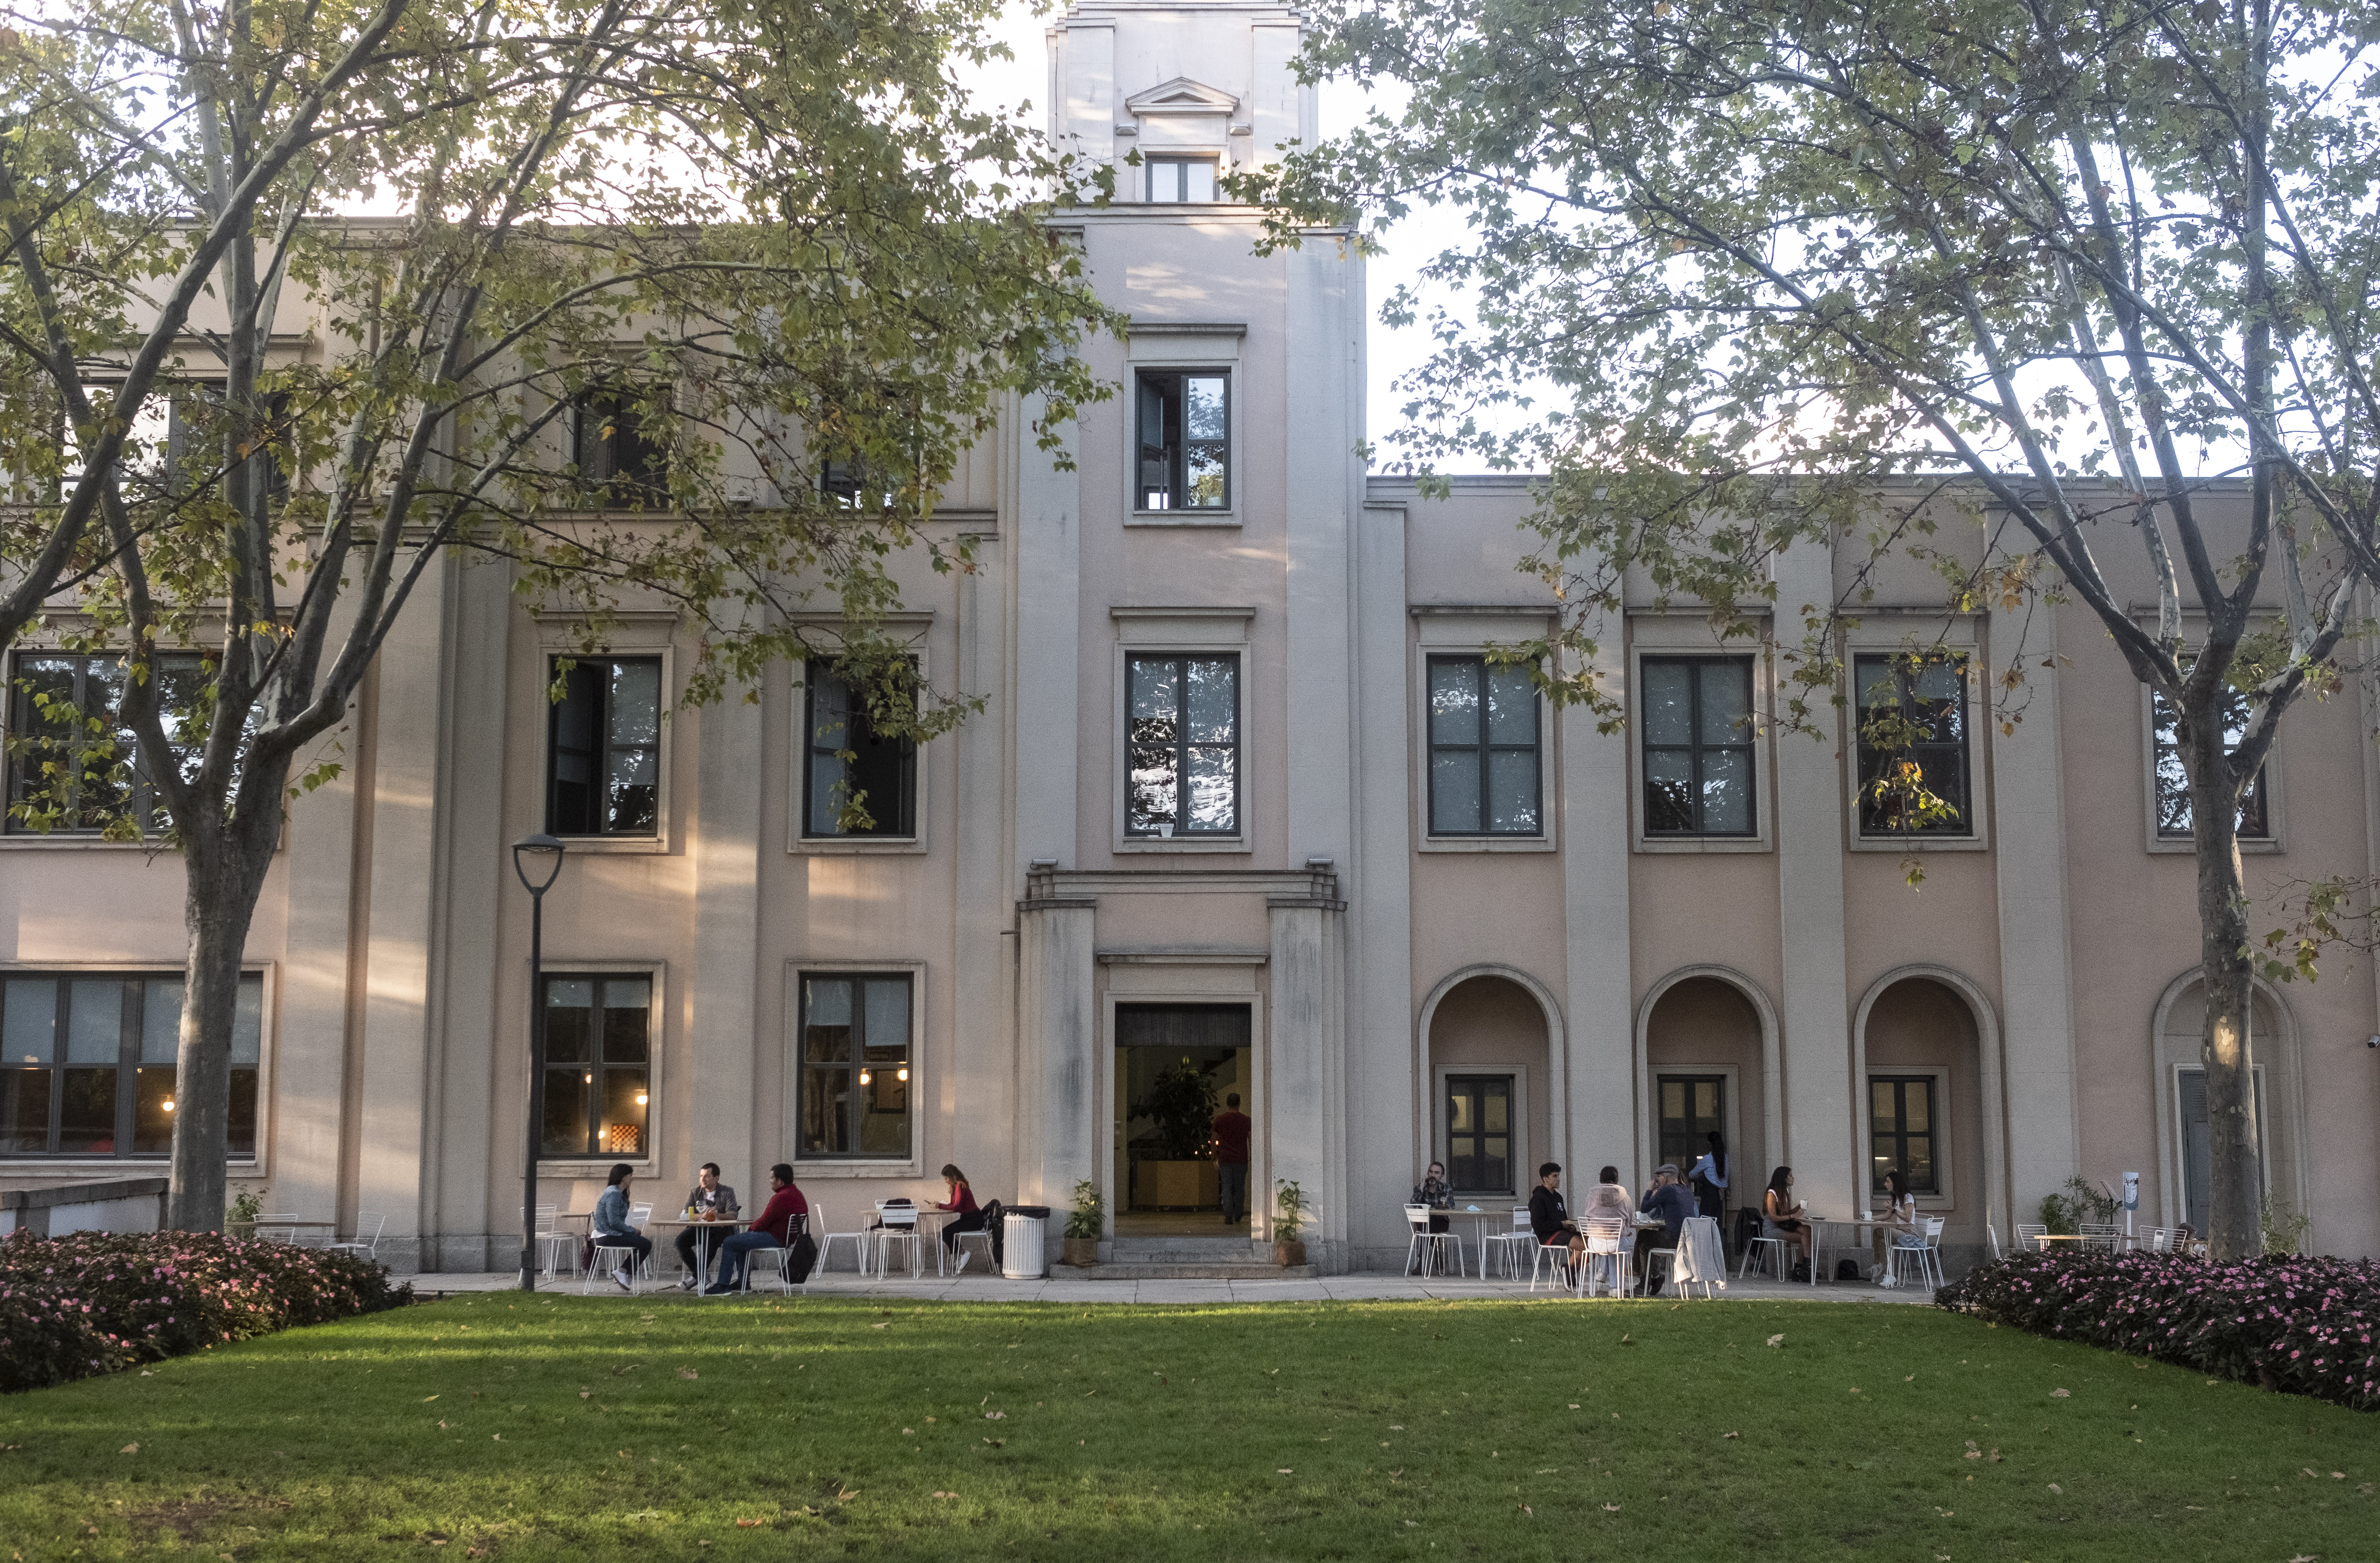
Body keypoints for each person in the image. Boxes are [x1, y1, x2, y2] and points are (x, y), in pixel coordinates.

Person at [705, 1163, 806, 1295]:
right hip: (786, 1238)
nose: (770, 1181)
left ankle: (723, 1285)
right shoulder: (798, 1195)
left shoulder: (781, 1197)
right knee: (741, 1242)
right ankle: (743, 1282)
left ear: (780, 1182)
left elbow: (765, 1220)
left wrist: (750, 1230)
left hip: (775, 1238)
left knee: (730, 1242)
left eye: (772, 1178)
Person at [672, 1161, 741, 1291]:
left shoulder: (727, 1192)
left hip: (721, 1230)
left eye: (707, 1176)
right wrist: (702, 1216)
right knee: (680, 1241)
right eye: (701, 1176)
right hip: (700, 1228)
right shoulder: (695, 1192)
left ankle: (697, 1277)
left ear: (716, 1178)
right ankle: (701, 1276)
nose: (703, 1179)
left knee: (711, 1239)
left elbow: (733, 1215)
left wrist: (718, 1216)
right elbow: (687, 1214)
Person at [1635, 1164, 1697, 1294]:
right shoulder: (1687, 1190)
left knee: (1643, 1236)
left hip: (1673, 1241)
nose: (1657, 1181)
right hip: (1687, 1241)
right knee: (1651, 1239)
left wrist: (1650, 1190)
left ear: (1665, 1177)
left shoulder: (1668, 1190)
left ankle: (1643, 1283)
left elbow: (1645, 1208)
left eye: (1658, 1178)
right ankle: (1655, 1277)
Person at [592, 1163, 651, 1292]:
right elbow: (614, 1222)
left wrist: (631, 1231)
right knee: (646, 1244)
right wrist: (632, 1230)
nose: (632, 1179)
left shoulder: (618, 1193)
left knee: (642, 1243)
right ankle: (623, 1273)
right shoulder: (614, 1194)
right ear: (624, 1177)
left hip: (610, 1234)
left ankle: (624, 1272)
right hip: (605, 1236)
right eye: (631, 1175)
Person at [1527, 1161, 1583, 1271]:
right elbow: (1537, 1224)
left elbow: (1564, 1219)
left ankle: (1570, 1270)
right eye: (1555, 1176)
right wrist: (1561, 1225)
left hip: (1561, 1231)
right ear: (1545, 1179)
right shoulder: (1538, 1198)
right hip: (1547, 1236)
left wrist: (1569, 1226)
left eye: (1559, 1176)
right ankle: (1568, 1271)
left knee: (1590, 1241)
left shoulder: (1558, 1197)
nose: (1558, 1179)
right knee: (1583, 1245)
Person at [933, 1163, 989, 1272]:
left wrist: (939, 1205)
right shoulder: (955, 1188)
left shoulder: (960, 1186)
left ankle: (963, 1254)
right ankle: (960, 1255)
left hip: (974, 1219)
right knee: (946, 1232)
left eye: (946, 1178)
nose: (946, 1181)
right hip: (968, 1218)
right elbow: (955, 1206)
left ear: (952, 1176)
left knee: (945, 1232)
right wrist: (940, 1205)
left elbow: (956, 1206)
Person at [1871, 1168, 1923, 1280]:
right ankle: (1889, 1275)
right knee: (1882, 1241)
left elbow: (1908, 1218)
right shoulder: (1896, 1198)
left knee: (1878, 1231)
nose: (1885, 1184)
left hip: (1909, 1235)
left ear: (1896, 1183)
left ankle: (1877, 1264)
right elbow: (1887, 1216)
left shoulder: (1908, 1197)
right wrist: (1870, 1218)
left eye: (1888, 1182)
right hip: (1899, 1231)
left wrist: (1893, 1210)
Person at [1762, 1164, 1813, 1277]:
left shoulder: (1785, 1192)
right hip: (1772, 1228)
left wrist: (1797, 1208)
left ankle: (1802, 1269)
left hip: (1783, 1225)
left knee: (1807, 1230)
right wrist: (1794, 1215)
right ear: (1784, 1178)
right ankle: (1804, 1268)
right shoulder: (1772, 1193)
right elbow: (1774, 1217)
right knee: (1805, 1239)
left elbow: (1784, 1213)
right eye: (1791, 1176)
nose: (1793, 1178)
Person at [1212, 1093, 1252, 1224]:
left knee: (1227, 1187)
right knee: (1240, 1187)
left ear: (1227, 1104)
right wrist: (1252, 1153)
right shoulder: (1246, 1120)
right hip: (1241, 1158)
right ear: (1239, 1104)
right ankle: (1239, 1214)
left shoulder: (1220, 1120)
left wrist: (1214, 1155)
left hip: (1225, 1159)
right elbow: (1250, 1137)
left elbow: (1213, 1138)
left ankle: (1228, 1214)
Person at [1689, 1131, 1729, 1227]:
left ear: (1710, 1144)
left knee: (1706, 1225)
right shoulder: (1726, 1158)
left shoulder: (1708, 1159)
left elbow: (1692, 1174)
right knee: (1719, 1226)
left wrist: (1702, 1175)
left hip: (1709, 1196)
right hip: (1722, 1197)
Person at [1410, 1160, 1454, 1236]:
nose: (1433, 1175)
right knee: (1427, 1224)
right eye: (1431, 1172)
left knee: (1433, 1223)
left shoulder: (1446, 1188)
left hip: (1441, 1222)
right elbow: (1413, 1203)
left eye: (1437, 1173)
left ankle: (1424, 1247)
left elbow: (1451, 1205)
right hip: (1424, 1223)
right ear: (1428, 1173)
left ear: (1442, 1176)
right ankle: (1436, 1247)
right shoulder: (1420, 1188)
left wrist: (1435, 1209)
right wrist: (1422, 1187)